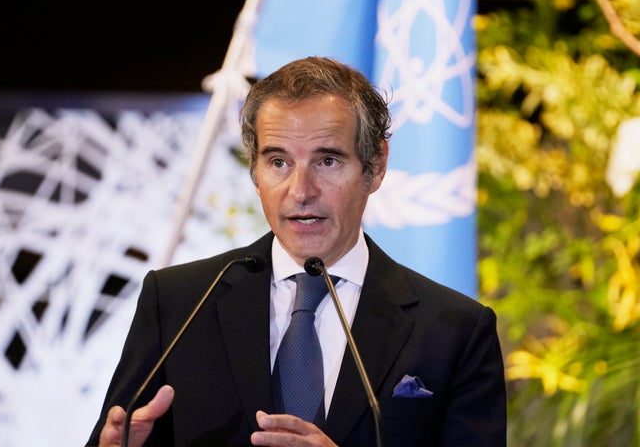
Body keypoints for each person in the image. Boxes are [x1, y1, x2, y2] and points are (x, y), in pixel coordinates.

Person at [86, 56, 507, 447]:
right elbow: (119, 433)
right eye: (279, 162)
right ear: (254, 169)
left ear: (375, 166)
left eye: (327, 161)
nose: (301, 192)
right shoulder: (180, 302)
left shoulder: (454, 332)